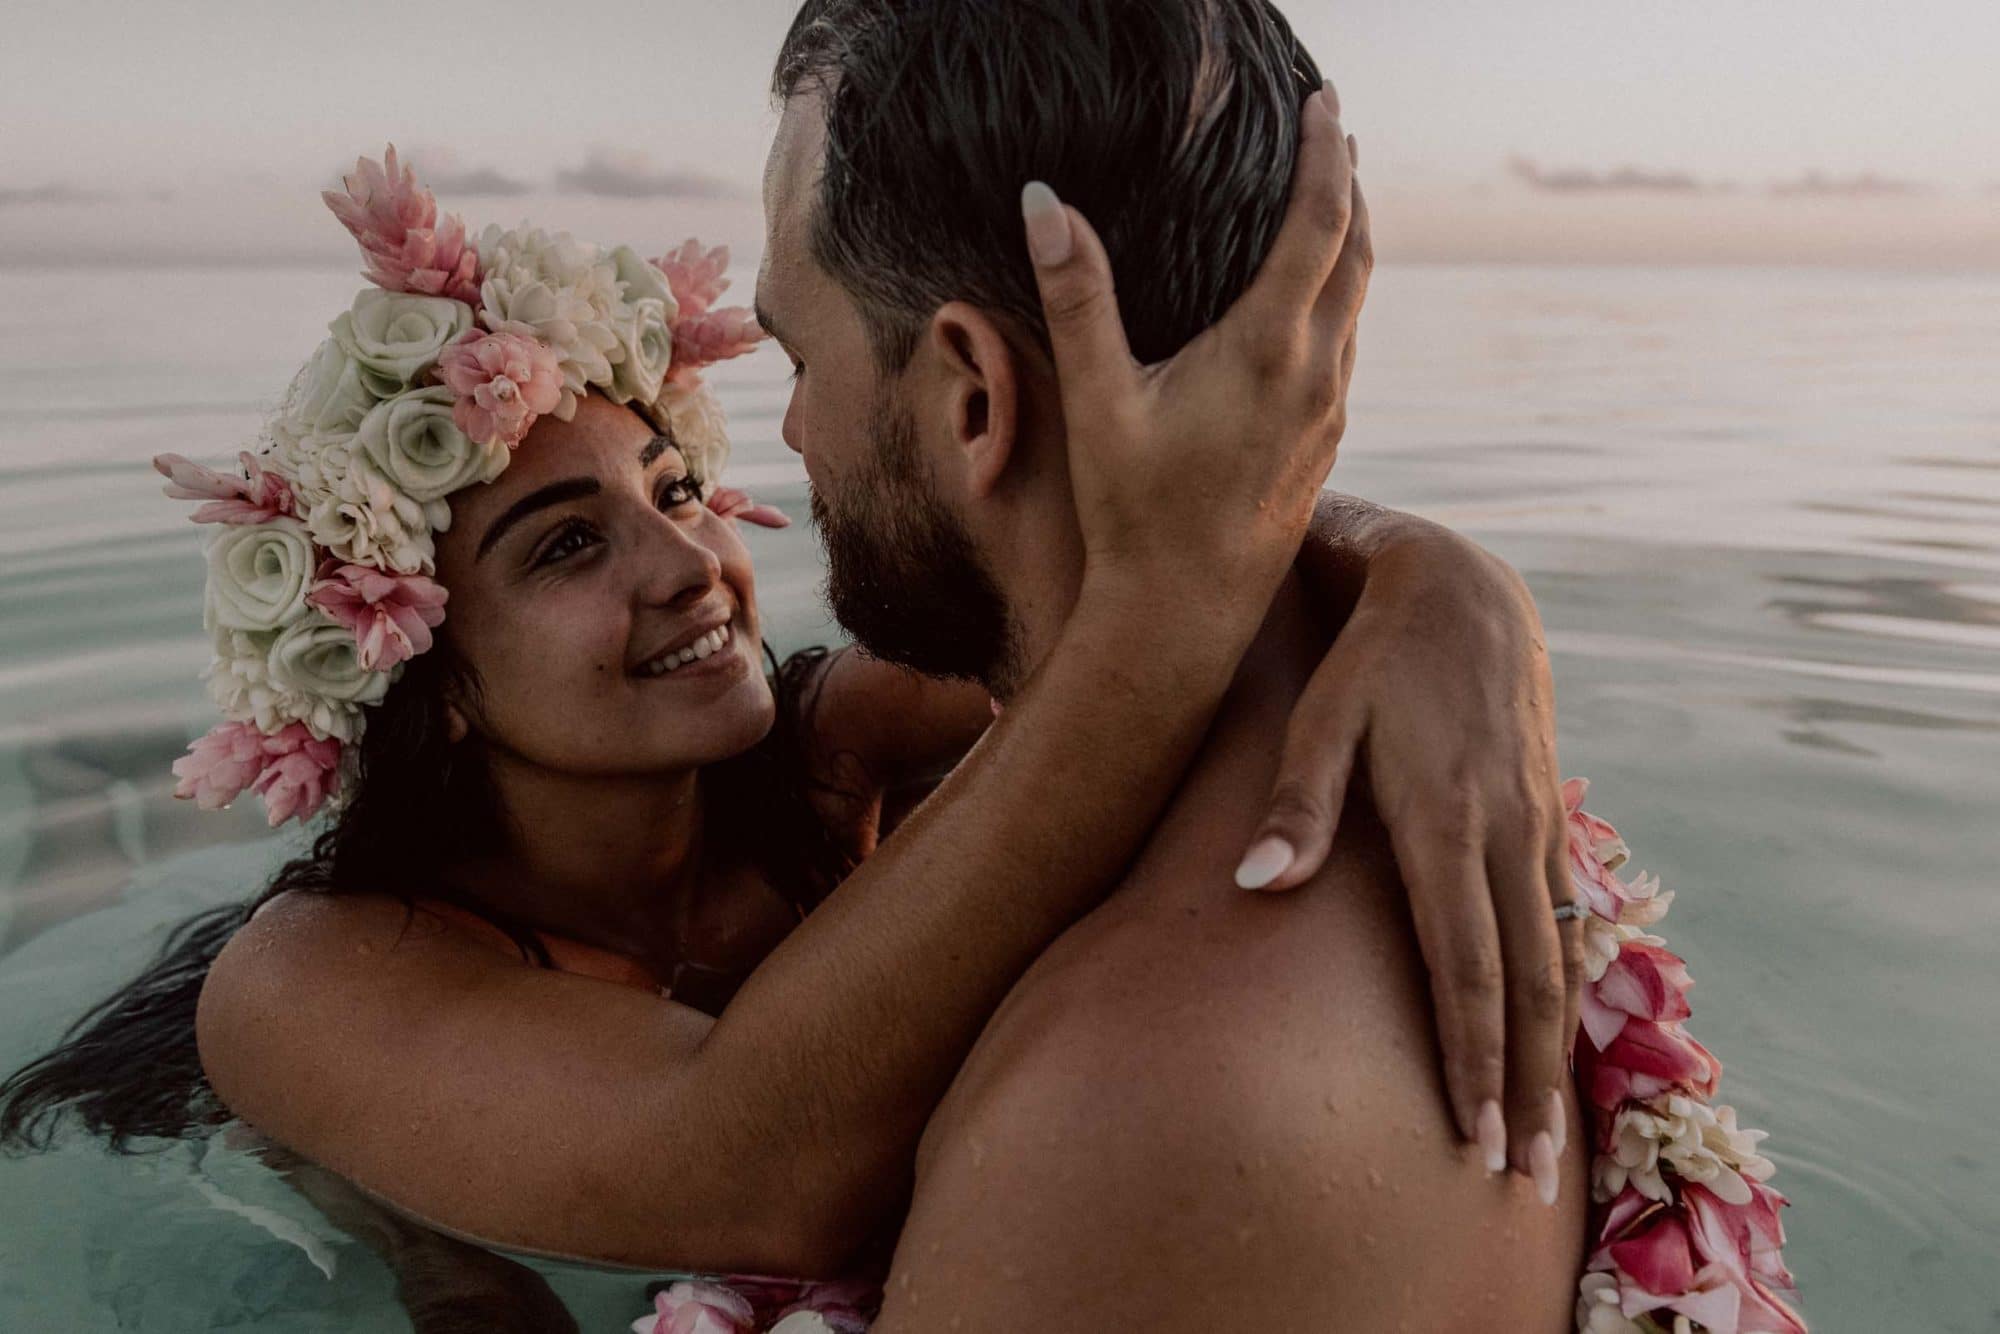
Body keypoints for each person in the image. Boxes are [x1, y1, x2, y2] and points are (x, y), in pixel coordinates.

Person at [1, 50, 1584, 1334]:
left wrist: (1433, 578)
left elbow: (1100, 581)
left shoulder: (819, 756)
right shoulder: (302, 986)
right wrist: (1171, 614)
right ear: (433, 672)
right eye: (566, 549)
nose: (690, 560)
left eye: (679, 484)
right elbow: (748, 1163)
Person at [757, 1, 1593, 1329]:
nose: (793, 425)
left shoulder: (1129, 1105)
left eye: (800, 354)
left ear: (972, 396)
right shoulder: (1426, 770)